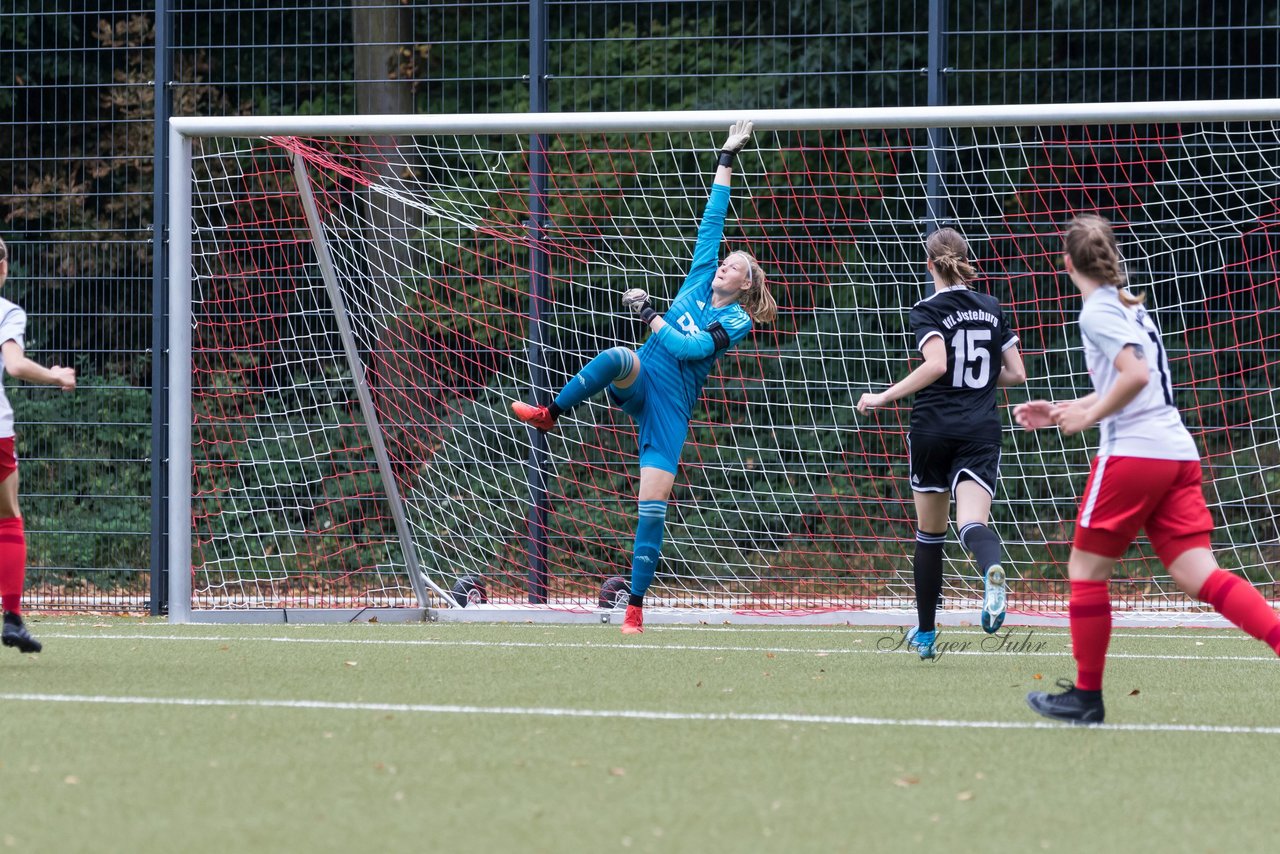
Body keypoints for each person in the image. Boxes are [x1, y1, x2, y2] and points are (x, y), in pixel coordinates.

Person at [511, 119, 776, 635]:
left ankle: (634, 608)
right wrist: (726, 155)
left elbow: (689, 346)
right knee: (616, 356)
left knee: (651, 512)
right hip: (640, 380)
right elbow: (712, 219)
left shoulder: (737, 318)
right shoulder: (701, 275)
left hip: (670, 411)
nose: (725, 264)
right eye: (725, 260)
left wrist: (651, 314)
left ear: (746, 285)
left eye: (736, 265)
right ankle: (550, 414)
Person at [1017, 214, 1280, 723]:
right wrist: (1067, 408)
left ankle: (1086, 698)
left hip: (1135, 455)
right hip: (1175, 453)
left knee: (1085, 570)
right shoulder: (1129, 306)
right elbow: (1138, 382)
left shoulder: (1096, 310)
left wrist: (1090, 414)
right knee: (1197, 572)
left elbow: (1134, 376)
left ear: (1067, 262)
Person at [857, 227, 1026, 659]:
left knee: (930, 535)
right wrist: (980, 383)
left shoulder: (926, 309)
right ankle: (991, 569)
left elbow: (936, 363)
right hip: (980, 429)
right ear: (964, 259)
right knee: (972, 524)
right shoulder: (992, 307)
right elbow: (1016, 374)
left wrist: (883, 396)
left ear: (929, 264)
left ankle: (927, 635)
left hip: (933, 428)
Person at [0, 237, 76, 654]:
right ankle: (12, 619)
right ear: (4, 267)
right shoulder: (7, 311)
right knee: (8, 518)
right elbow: (14, 365)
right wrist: (56, 376)